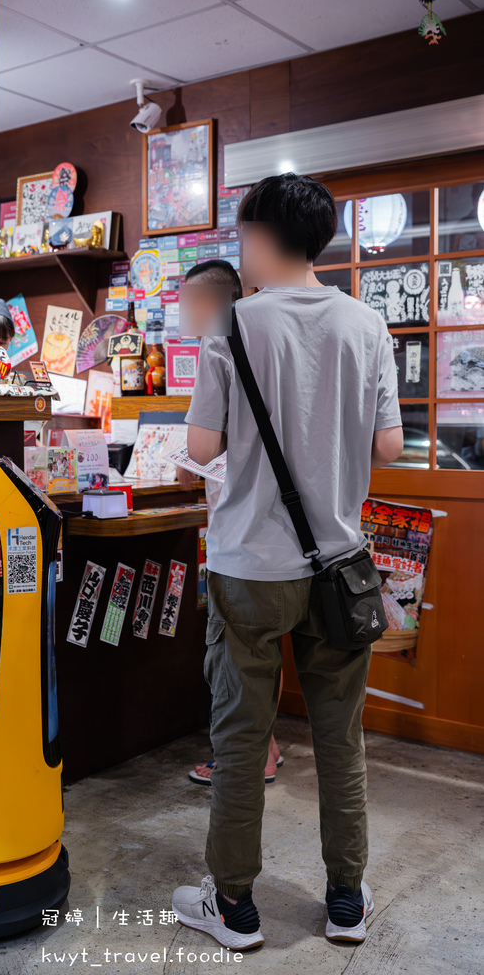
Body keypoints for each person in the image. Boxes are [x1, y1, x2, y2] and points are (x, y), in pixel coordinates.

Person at [171, 174, 403, 951]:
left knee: (239, 735)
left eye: (242, 237)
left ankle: (233, 907)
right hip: (340, 564)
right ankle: (344, 901)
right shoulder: (366, 325)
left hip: (247, 567)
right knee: (340, 737)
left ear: (263, 234)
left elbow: (200, 448)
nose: (242, 253)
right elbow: (388, 447)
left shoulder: (234, 325)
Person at [178, 260, 284, 788]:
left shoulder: (220, 342)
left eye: (188, 302)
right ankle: (267, 748)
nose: (181, 313)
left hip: (242, 541)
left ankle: (246, 758)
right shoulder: (268, 340)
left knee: (234, 668)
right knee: (255, 665)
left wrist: (187, 457)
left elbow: (203, 446)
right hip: (281, 540)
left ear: (212, 303)